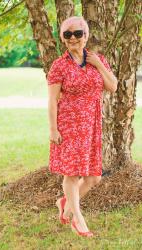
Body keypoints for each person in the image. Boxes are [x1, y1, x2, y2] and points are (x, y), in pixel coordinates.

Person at [46, 16, 118, 237]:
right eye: (67, 34)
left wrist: (97, 64)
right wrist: (53, 129)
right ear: (63, 39)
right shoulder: (59, 65)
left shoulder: (98, 60)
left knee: (94, 177)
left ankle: (65, 204)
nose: (73, 38)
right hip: (69, 125)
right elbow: (52, 100)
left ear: (86, 36)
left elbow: (113, 87)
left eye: (78, 33)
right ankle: (78, 219)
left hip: (92, 126)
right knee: (71, 173)